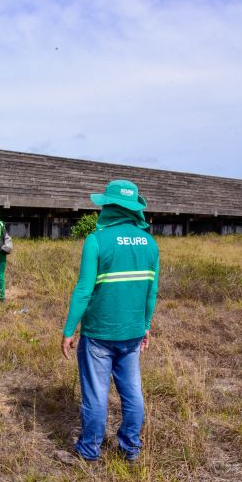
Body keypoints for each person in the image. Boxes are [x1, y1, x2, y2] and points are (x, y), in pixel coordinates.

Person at [61, 180, 160, 464]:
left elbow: (83, 290)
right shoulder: (150, 244)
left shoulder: (96, 240)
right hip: (132, 333)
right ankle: (130, 448)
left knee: (96, 396)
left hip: (98, 334)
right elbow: (151, 292)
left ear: (110, 207)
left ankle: (89, 452)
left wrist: (69, 330)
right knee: (133, 394)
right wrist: (145, 326)